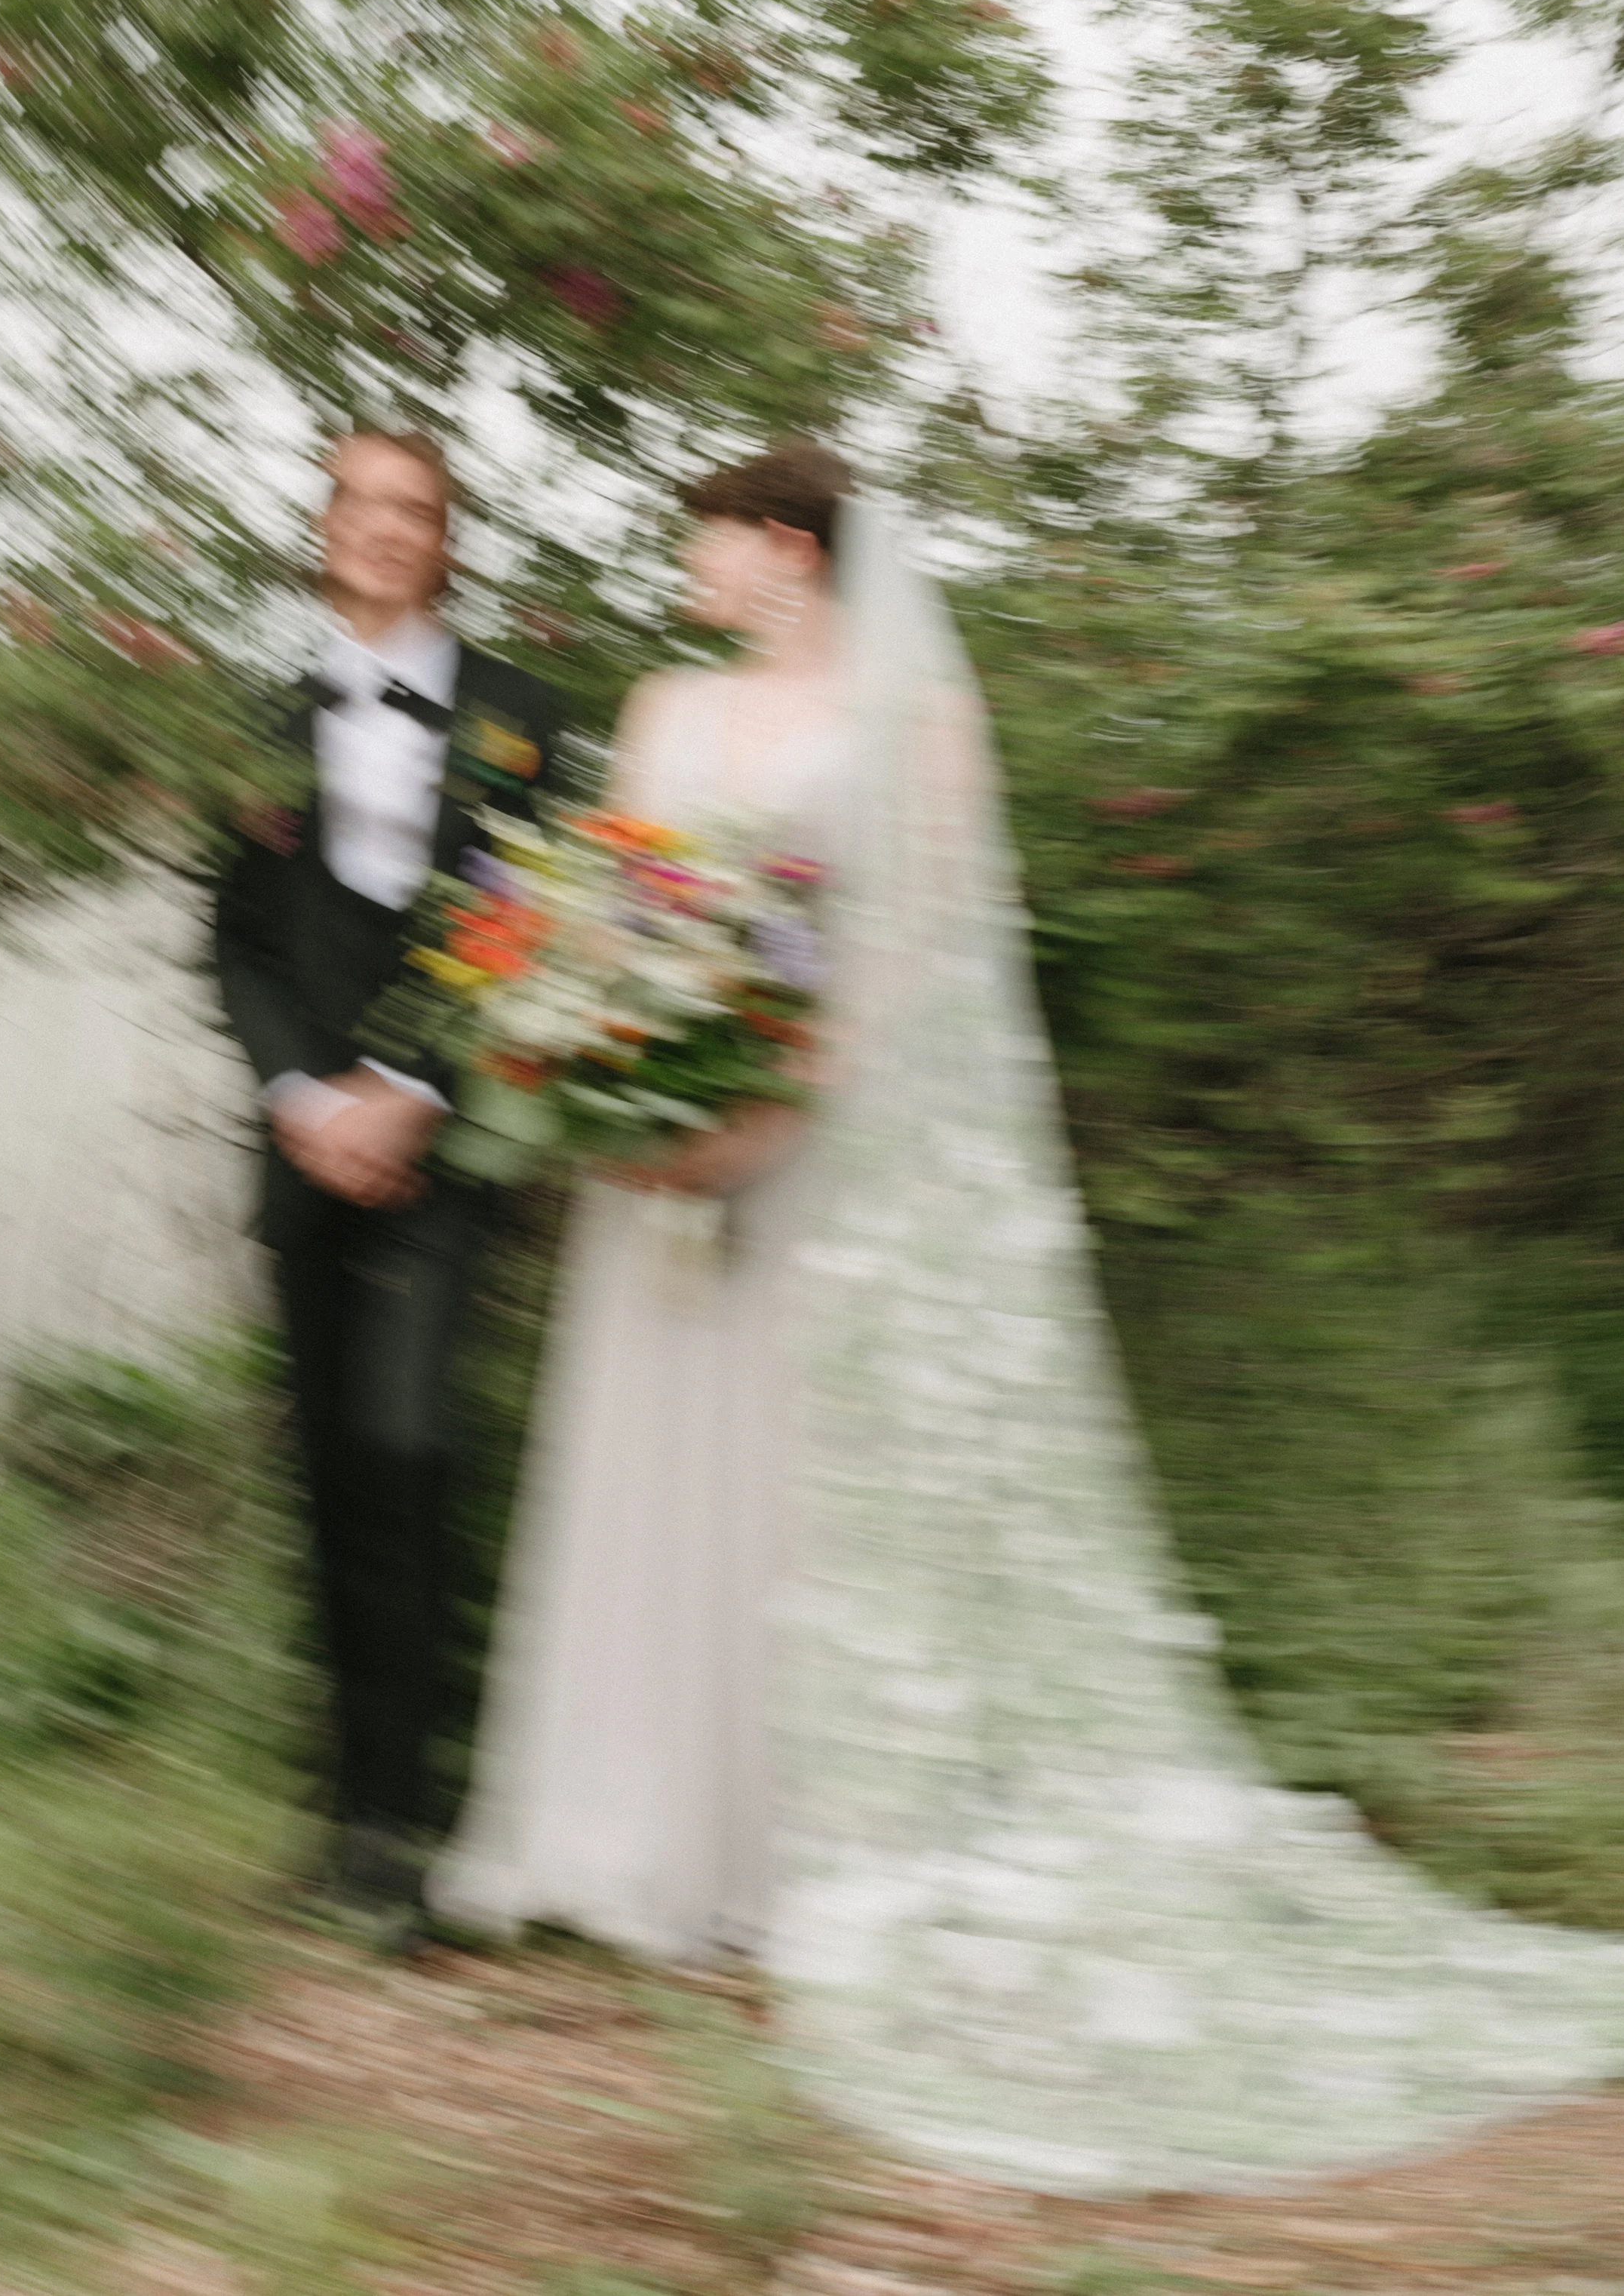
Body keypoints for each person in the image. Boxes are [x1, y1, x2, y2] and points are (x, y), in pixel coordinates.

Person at [431, 436, 1624, 2194]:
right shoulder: (664, 703)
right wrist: (618, 1083)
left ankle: (796, 1853)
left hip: (813, 1153)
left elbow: (917, 945)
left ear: (775, 544)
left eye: (707, 537)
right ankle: (633, 1844)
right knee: (653, 1470)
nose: (687, 567)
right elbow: (616, 902)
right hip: (658, 1166)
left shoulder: (916, 716)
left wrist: (773, 1099)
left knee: (798, 1492)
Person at [214, 427, 561, 1911]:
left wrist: (411, 1087)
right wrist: (303, 1094)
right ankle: (341, 1810)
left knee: (414, 1453)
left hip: (444, 1151)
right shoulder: (248, 710)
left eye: (413, 511)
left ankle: (414, 1821)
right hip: (302, 1153)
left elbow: (537, 925)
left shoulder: (523, 719)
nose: (384, 530)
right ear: (325, 525)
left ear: (447, 538)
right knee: (326, 1471)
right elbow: (230, 940)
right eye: (361, 505)